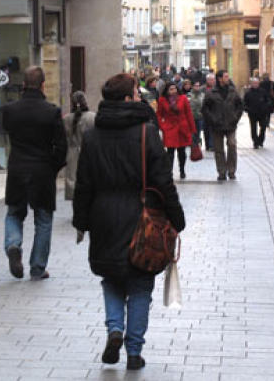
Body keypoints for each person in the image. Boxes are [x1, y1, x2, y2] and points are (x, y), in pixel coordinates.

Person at [73, 73, 185, 371]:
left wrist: (81, 220)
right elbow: (163, 181)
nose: (139, 97)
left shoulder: (92, 135)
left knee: (111, 277)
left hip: (103, 218)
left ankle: (114, 330)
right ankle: (134, 351)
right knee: (140, 284)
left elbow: (84, 183)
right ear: (126, 99)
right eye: (136, 93)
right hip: (142, 219)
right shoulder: (147, 133)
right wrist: (176, 217)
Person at [1, 66, 67, 280]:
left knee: (14, 213)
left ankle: (13, 245)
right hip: (42, 171)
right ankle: (37, 267)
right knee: (44, 220)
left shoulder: (10, 110)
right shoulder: (52, 112)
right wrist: (52, 167)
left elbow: (4, 131)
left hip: (17, 169)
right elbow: (62, 147)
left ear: (23, 85)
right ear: (43, 85)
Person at [202, 69, 243, 181]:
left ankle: (231, 170)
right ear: (219, 79)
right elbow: (205, 109)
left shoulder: (233, 91)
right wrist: (212, 120)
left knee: (232, 145)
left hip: (231, 124)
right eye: (225, 76)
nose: (228, 78)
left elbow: (240, 106)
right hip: (217, 125)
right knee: (219, 149)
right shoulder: (211, 93)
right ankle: (221, 171)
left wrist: (235, 118)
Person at [156, 82, 196, 179]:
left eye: (175, 88)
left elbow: (188, 114)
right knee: (170, 152)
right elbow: (159, 114)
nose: (173, 91)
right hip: (170, 129)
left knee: (182, 152)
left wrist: (192, 129)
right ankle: (169, 172)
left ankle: (182, 170)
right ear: (167, 91)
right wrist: (162, 126)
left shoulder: (183, 98)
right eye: (171, 89)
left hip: (182, 128)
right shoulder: (162, 100)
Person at [64, 91, 96, 202]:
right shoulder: (93, 117)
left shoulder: (66, 119)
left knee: (73, 182)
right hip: (89, 153)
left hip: (72, 154)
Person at [243, 78, 272, 149]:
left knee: (263, 127)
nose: (255, 85)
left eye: (257, 83)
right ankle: (255, 142)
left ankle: (261, 140)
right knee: (253, 128)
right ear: (251, 84)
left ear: (259, 84)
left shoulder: (263, 92)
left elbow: (268, 100)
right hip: (252, 113)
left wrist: (266, 107)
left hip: (262, 113)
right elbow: (244, 103)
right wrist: (247, 109)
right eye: (254, 83)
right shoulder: (248, 93)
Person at [187, 80, 205, 148]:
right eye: (196, 86)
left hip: (200, 116)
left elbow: (204, 105)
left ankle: (197, 143)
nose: (197, 87)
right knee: (191, 131)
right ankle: (192, 142)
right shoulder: (189, 95)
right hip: (191, 117)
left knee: (198, 131)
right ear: (192, 86)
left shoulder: (202, 95)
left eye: (198, 86)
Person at [203, 73, 216, 151]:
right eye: (209, 80)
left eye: (212, 80)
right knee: (206, 130)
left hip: (214, 112)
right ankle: (207, 145)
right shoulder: (202, 89)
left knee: (212, 129)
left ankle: (212, 145)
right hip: (204, 113)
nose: (211, 81)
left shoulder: (217, 89)